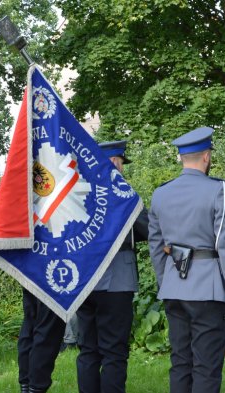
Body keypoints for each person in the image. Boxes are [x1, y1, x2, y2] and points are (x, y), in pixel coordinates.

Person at [148, 126, 225, 393]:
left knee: (180, 362)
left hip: (174, 290)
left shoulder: (160, 194)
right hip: (207, 290)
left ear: (181, 158)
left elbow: (156, 247)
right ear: (206, 157)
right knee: (206, 366)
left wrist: (166, 282)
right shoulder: (219, 190)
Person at [76, 140, 149, 393]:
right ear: (114, 162)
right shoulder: (122, 193)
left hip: (84, 279)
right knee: (114, 352)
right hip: (117, 280)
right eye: (121, 163)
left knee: (88, 350)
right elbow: (147, 228)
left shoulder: (78, 193)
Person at [18, 289, 66, 393]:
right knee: (48, 328)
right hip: (49, 280)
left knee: (30, 323)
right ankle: (35, 387)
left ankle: (27, 387)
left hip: (29, 275)